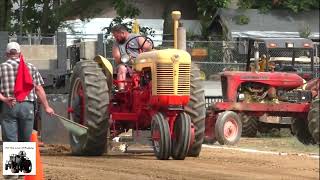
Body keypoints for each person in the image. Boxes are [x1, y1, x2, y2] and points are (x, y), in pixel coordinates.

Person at [0, 42, 54, 144]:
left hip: (9, 105)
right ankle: (23, 159)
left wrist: (4, 99)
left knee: (10, 142)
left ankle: (13, 159)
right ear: (20, 53)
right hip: (27, 106)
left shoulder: (1, 68)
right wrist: (47, 107)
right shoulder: (31, 67)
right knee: (25, 141)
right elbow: (38, 88)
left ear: (6, 54)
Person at [111, 24, 152, 91]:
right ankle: (122, 89)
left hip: (141, 63)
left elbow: (147, 48)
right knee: (121, 68)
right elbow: (117, 57)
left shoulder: (137, 38)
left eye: (117, 36)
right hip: (126, 64)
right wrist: (123, 58)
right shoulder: (116, 43)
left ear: (123, 33)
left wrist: (144, 52)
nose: (116, 38)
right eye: (115, 37)